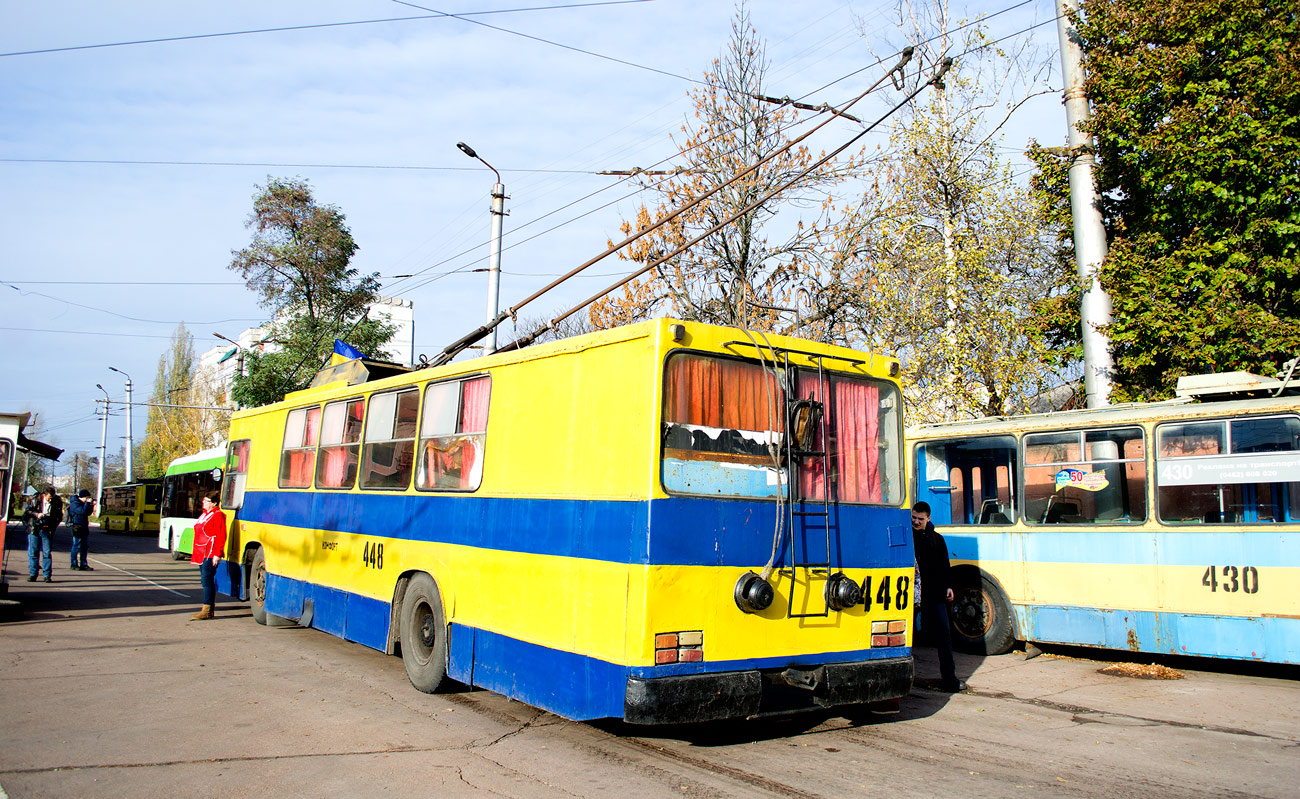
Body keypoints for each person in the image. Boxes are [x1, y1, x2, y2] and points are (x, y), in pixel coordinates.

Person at [912, 501, 963, 692]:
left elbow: (944, 565)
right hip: (912, 595)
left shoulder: (937, 539)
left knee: (944, 636)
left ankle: (949, 680)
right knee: (909, 638)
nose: (916, 522)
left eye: (920, 519)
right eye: (914, 518)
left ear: (929, 518)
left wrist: (948, 586)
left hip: (934, 594)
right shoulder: (907, 537)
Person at [190, 492, 227, 620]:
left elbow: (221, 535)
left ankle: (207, 609)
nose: (203, 502)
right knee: (204, 580)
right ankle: (207, 609)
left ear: (214, 503)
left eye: (206, 501)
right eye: (204, 500)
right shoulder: (204, 515)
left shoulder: (218, 515)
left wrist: (218, 554)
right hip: (201, 553)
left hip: (210, 553)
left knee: (207, 580)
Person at [27, 486, 63, 583]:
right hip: (35, 528)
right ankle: (33, 574)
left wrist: (51, 524)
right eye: (48, 498)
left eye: (52, 498)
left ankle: (47, 575)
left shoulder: (57, 502)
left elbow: (59, 517)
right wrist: (37, 514)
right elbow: (28, 511)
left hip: (47, 530)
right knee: (33, 552)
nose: (50, 500)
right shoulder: (35, 500)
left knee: (47, 553)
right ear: (44, 495)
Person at [67, 488, 97, 571]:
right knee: (76, 545)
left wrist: (91, 505)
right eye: (87, 498)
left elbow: (88, 513)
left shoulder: (84, 503)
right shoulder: (75, 503)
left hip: (83, 526)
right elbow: (82, 511)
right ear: (83, 497)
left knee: (84, 546)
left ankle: (83, 563)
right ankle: (73, 563)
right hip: (77, 526)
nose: (88, 499)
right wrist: (87, 503)